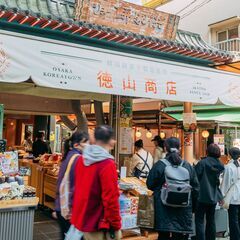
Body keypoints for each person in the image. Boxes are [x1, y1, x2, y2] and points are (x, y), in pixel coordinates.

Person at [71, 125, 121, 240]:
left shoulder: (81, 159)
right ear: (112, 142)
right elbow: (111, 198)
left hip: (83, 219)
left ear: (93, 140)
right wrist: (116, 224)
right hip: (99, 222)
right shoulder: (107, 164)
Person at [147, 137, 199, 240]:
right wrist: (192, 208)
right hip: (183, 209)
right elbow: (196, 188)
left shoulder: (160, 165)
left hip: (163, 209)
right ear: (180, 148)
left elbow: (150, 184)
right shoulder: (187, 166)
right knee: (180, 236)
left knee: (163, 236)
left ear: (165, 148)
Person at [55, 131, 89, 240]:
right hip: (69, 209)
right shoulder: (78, 159)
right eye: (86, 142)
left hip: (61, 206)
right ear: (76, 145)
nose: (88, 145)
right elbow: (77, 187)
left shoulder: (68, 156)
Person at [195, 144, 225, 240]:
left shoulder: (202, 163)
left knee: (199, 220)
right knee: (211, 220)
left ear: (207, 151)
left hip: (201, 196)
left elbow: (195, 179)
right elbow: (217, 182)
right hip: (213, 196)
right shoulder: (220, 165)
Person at [221, 147, 240, 240]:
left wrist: (221, 195)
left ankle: (235, 238)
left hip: (233, 196)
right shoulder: (238, 165)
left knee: (233, 220)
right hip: (239, 194)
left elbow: (225, 183)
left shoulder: (228, 167)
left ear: (229, 155)